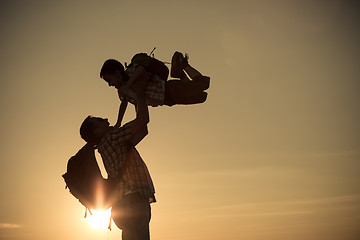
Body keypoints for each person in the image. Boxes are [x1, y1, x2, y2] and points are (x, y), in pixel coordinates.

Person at [80, 71, 155, 240]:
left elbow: (143, 129)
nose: (106, 119)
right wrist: (140, 93)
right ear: (97, 131)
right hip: (132, 202)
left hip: (126, 204)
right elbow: (143, 120)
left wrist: (135, 98)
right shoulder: (111, 138)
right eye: (100, 120)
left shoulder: (107, 145)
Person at [100, 51, 210, 112]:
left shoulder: (130, 71)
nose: (110, 84)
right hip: (168, 101)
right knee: (201, 97)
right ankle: (179, 73)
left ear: (116, 73)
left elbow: (141, 69)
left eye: (109, 80)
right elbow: (134, 103)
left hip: (168, 89)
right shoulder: (124, 92)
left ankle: (183, 64)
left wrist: (128, 85)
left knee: (203, 84)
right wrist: (120, 122)